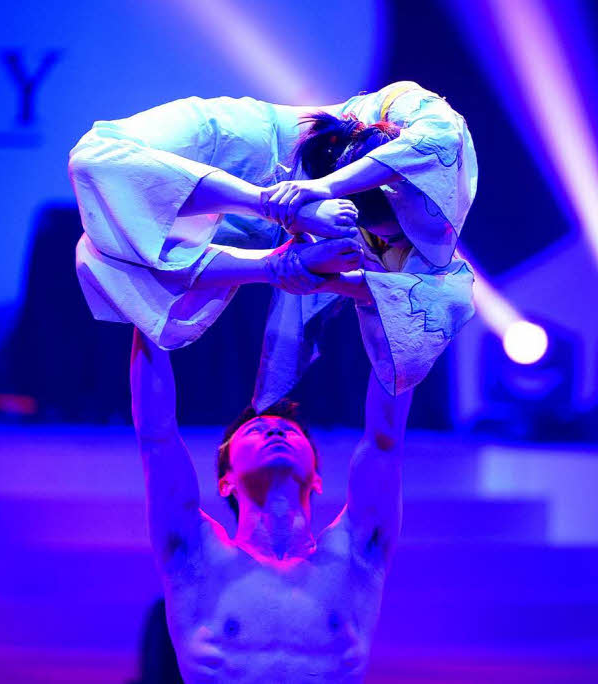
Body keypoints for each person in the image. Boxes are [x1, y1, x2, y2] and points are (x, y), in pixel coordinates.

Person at [68, 81, 478, 409]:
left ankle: (273, 263)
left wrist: (325, 281)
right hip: (243, 142)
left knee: (132, 279)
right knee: (94, 160)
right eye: (388, 233)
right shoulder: (425, 132)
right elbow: (440, 134)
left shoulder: (424, 247)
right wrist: (315, 193)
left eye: (387, 237)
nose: (388, 243)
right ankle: (272, 210)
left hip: (258, 220)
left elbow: (440, 301)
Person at [131, 326, 411, 681]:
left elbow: (385, 439)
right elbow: (156, 435)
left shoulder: (355, 558)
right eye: (256, 431)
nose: (276, 432)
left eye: (290, 432)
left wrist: (395, 312)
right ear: (225, 481)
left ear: (317, 479)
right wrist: (149, 314)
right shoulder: (195, 557)